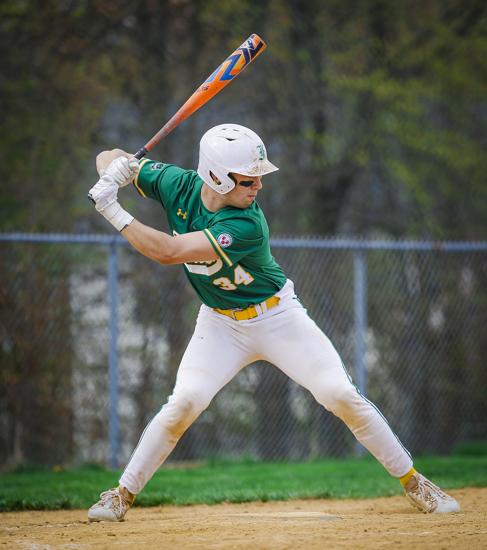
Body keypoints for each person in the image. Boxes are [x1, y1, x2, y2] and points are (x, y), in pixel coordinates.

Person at [87, 123, 459, 521]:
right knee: (185, 401)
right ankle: (120, 495)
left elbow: (169, 251)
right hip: (219, 324)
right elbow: (106, 156)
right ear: (216, 176)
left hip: (277, 318)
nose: (258, 186)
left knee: (338, 393)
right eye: (248, 179)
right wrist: (117, 169)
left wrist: (113, 209)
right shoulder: (177, 185)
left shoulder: (247, 224)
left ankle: (414, 481)